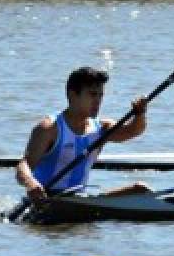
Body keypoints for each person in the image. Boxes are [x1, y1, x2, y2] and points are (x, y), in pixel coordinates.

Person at [16, 66, 150, 206]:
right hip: (46, 199)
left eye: (100, 95)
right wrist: (31, 183)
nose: (98, 101)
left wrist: (140, 114)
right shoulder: (49, 128)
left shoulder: (102, 128)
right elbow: (24, 165)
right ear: (72, 95)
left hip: (80, 198)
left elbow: (133, 131)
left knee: (141, 189)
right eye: (92, 94)